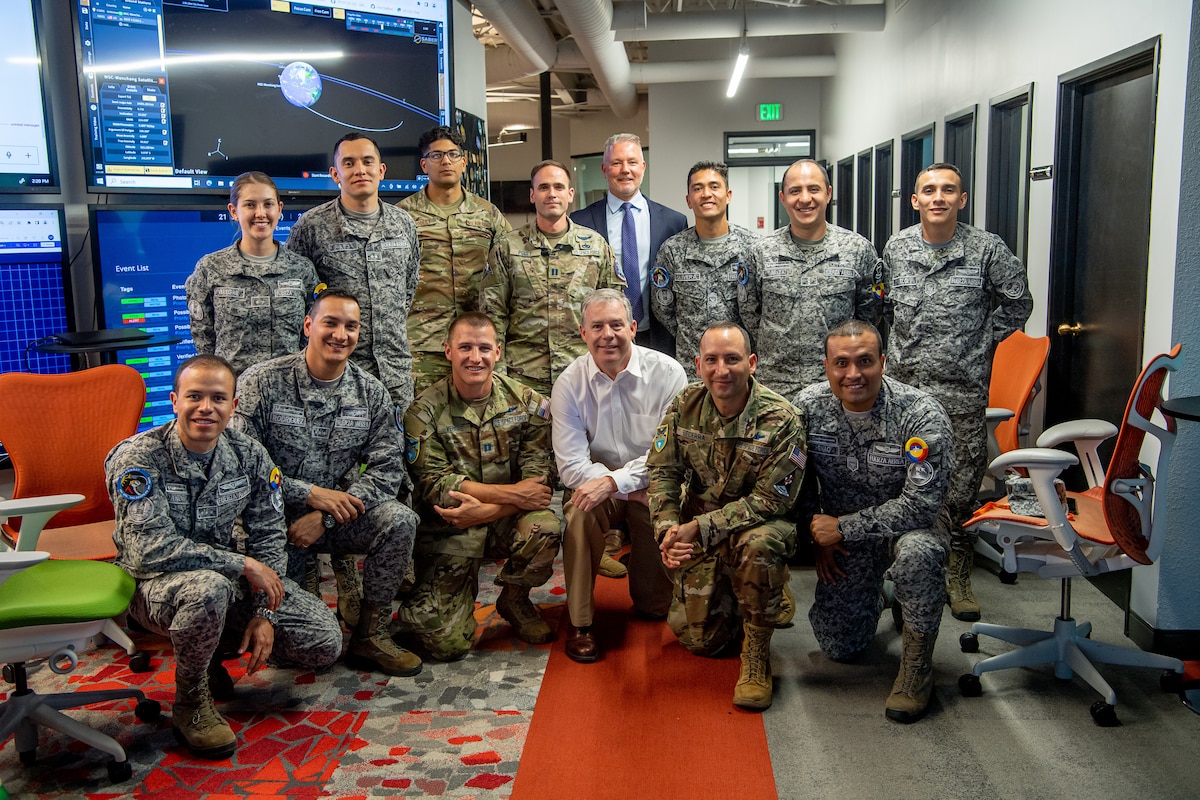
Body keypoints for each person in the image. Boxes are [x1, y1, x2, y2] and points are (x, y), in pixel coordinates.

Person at [105, 355, 342, 760]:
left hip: (223, 583)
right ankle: (191, 700)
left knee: (323, 641)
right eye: (194, 396)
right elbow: (150, 549)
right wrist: (244, 565)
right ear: (174, 400)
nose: (206, 407)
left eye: (218, 398)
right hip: (150, 586)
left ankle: (210, 648)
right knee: (209, 589)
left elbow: (268, 533)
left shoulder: (248, 454)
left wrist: (264, 613)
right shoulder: (138, 459)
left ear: (233, 407)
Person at [233, 289, 422, 677]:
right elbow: (241, 466)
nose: (340, 334)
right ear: (308, 326)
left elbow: (388, 469)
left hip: (333, 520)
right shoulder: (262, 383)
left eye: (351, 326)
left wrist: (328, 516)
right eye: (330, 323)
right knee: (312, 649)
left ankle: (371, 635)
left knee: (400, 520)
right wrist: (309, 494)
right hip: (269, 525)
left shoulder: (370, 392)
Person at [881, 162, 1033, 621]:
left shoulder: (986, 250)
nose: (938, 198)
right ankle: (904, 565)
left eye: (948, 190)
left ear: (962, 200)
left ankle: (957, 568)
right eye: (929, 190)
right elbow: (882, 304)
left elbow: (1018, 301)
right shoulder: (897, 248)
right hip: (907, 391)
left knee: (962, 483)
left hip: (962, 390)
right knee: (904, 478)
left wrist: (983, 340)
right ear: (915, 200)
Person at [796, 319, 954, 723]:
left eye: (865, 361)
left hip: (910, 528)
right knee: (839, 646)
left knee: (917, 554)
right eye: (842, 363)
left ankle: (917, 667)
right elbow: (793, 481)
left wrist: (841, 528)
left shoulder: (919, 413)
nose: (854, 374)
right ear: (827, 366)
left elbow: (921, 505)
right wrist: (818, 533)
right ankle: (888, 592)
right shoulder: (808, 408)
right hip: (846, 538)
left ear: (883, 362)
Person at [647, 323, 806, 710]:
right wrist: (667, 531)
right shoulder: (685, 404)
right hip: (699, 525)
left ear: (751, 363)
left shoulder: (782, 419)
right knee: (701, 643)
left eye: (733, 359)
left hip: (759, 524)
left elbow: (772, 501)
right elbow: (663, 473)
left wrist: (698, 529)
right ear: (698, 364)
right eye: (712, 360)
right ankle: (753, 591)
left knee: (759, 545)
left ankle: (756, 649)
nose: (722, 370)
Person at [399, 312, 561, 661]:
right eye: (465, 347)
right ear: (447, 351)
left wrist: (489, 511)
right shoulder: (423, 411)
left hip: (501, 520)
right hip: (450, 526)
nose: (476, 357)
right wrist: (512, 496)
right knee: (446, 646)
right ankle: (431, 607)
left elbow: (539, 483)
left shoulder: (527, 403)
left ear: (498, 352)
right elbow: (439, 487)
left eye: (484, 348)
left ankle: (514, 598)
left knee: (545, 528)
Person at [551, 289, 687, 663]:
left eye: (615, 325)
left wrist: (615, 483)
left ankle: (643, 566)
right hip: (602, 493)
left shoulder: (668, 374)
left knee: (654, 607)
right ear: (583, 333)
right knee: (578, 511)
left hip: (654, 490)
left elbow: (668, 455)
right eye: (597, 326)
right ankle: (580, 624)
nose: (607, 335)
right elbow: (571, 467)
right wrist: (619, 489)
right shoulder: (569, 384)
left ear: (632, 327)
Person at [285, 131, 421, 415]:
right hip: (336, 375)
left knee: (393, 456)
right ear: (335, 174)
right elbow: (296, 301)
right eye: (349, 163)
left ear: (381, 170)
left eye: (367, 161)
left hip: (394, 374)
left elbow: (408, 288)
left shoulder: (404, 224)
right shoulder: (311, 227)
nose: (360, 169)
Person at [740, 158, 881, 402]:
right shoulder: (759, 253)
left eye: (813, 189)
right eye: (795, 191)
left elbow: (869, 315)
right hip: (775, 387)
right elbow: (749, 314)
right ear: (783, 198)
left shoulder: (858, 250)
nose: (805, 198)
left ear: (828, 194)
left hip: (837, 385)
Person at [480, 159, 625, 397]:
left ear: (570, 195)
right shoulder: (508, 246)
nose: (551, 194)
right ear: (532, 195)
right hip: (523, 378)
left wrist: (613, 367)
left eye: (558, 187)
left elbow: (615, 313)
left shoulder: (596, 247)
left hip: (584, 374)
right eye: (543, 187)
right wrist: (499, 374)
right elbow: (493, 315)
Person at [399, 125, 512, 397]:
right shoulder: (402, 217)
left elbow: (511, 271)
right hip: (422, 342)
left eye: (452, 154)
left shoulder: (487, 214)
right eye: (436, 156)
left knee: (477, 425)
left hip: (477, 345)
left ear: (463, 162)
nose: (445, 161)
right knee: (421, 424)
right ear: (424, 165)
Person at [185, 171, 318, 376]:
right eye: (250, 205)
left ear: (279, 208)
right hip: (233, 394)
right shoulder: (210, 269)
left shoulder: (302, 270)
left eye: (268, 204)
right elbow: (204, 340)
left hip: (289, 395)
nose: (260, 213)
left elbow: (310, 336)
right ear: (234, 211)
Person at [571, 133, 687, 355]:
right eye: (616, 163)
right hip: (605, 341)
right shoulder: (580, 222)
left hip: (659, 338)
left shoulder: (673, 222)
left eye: (632, 162)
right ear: (605, 170)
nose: (625, 169)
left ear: (643, 167)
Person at [650, 161, 757, 380]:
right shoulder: (672, 251)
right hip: (692, 369)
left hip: (739, 369)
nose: (706, 194)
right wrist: (692, 336)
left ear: (728, 195)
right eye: (698, 188)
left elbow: (762, 309)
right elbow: (662, 307)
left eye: (714, 186)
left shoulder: (753, 247)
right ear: (689, 200)